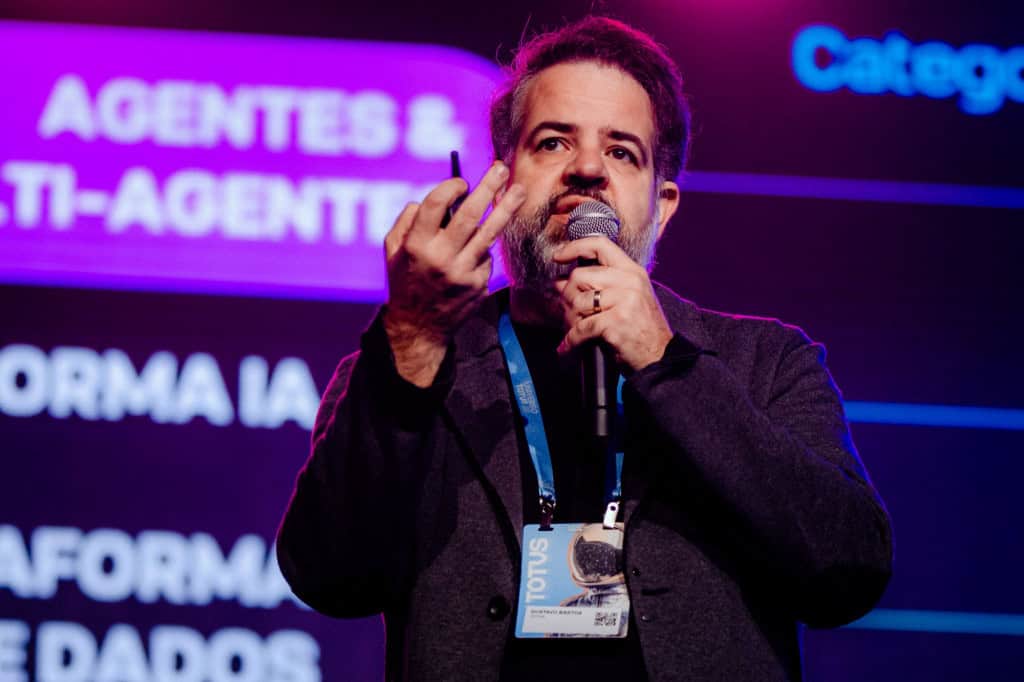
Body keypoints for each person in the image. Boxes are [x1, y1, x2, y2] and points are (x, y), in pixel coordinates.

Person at [276, 15, 893, 681]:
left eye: (622, 152)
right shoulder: (408, 366)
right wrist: (415, 337)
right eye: (553, 143)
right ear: (503, 180)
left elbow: (848, 573)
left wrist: (667, 363)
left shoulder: (766, 363)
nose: (588, 169)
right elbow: (329, 576)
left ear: (663, 205)